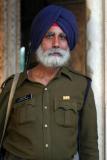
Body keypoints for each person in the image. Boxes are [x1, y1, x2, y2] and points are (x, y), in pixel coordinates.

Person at [0, 4, 99, 160]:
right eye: (49, 36)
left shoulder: (81, 87)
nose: (56, 44)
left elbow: (89, 149)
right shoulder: (12, 87)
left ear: (68, 43)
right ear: (39, 40)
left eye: (62, 37)